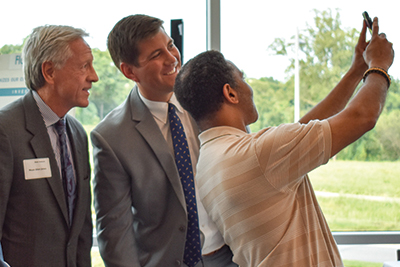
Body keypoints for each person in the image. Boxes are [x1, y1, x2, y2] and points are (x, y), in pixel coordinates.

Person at [174, 17, 394, 267]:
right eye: (243, 78)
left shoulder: (211, 161)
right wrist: (379, 64)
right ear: (230, 93)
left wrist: (355, 72)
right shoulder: (257, 154)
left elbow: (301, 131)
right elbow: (362, 116)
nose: (249, 87)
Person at [91, 14, 237, 267]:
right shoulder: (111, 137)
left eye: (170, 46)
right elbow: (115, 232)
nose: (172, 58)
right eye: (156, 55)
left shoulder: (207, 101)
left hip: (232, 256)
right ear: (129, 70)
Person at [0, 25, 98, 266]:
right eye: (84, 66)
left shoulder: (77, 133)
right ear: (50, 71)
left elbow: (81, 228)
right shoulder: (5, 131)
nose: (94, 76)